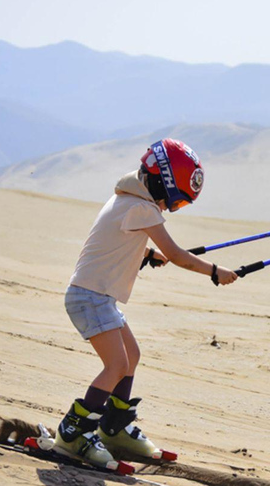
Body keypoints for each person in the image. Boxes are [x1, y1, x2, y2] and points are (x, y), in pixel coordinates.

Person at [55, 138, 239, 467]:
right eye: (175, 201)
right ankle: (74, 433)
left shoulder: (128, 199)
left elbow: (120, 242)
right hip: (90, 298)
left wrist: (148, 255)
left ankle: (115, 427)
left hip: (97, 297)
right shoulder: (142, 207)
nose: (171, 208)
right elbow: (179, 256)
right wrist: (214, 271)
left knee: (132, 357)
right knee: (117, 366)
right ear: (162, 182)